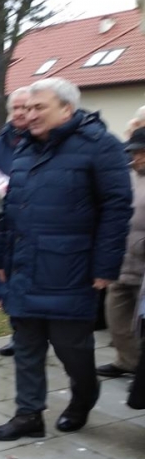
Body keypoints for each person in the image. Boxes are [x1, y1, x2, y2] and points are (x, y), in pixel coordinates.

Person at [0, 78, 132, 441]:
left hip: (71, 269)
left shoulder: (100, 145)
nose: (30, 115)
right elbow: (12, 210)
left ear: (66, 109)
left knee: (72, 348)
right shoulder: (25, 148)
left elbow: (116, 209)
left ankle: (84, 395)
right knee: (26, 345)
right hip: (25, 266)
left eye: (39, 108)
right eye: (27, 108)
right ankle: (28, 414)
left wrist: (105, 267)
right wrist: (4, 257)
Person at [0, 86, 32, 357]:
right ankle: (18, 332)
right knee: (6, 279)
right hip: (2, 223)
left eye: (25, 107)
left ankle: (34, 333)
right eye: (16, 107)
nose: (20, 112)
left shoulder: (42, 140)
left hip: (33, 221)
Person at [100, 125, 145, 379]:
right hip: (122, 262)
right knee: (116, 319)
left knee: (142, 324)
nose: (137, 157)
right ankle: (128, 361)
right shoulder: (126, 176)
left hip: (143, 267)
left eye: (142, 152)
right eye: (134, 152)